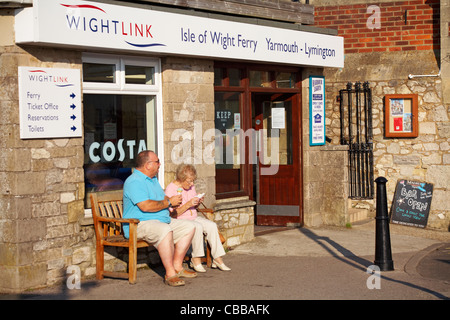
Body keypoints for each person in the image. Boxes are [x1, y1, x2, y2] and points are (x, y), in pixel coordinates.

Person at [122, 150, 197, 287]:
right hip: (138, 224)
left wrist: (172, 200)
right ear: (148, 165)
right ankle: (170, 274)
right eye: (157, 162)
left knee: (190, 226)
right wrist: (169, 203)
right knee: (165, 230)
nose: (160, 164)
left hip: (161, 220)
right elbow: (145, 206)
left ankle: (177, 266)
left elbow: (162, 197)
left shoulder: (153, 180)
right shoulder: (134, 181)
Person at [165, 164, 231, 272]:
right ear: (181, 178)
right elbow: (172, 214)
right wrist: (188, 204)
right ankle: (196, 259)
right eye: (189, 181)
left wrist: (197, 202)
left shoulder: (190, 186)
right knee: (198, 226)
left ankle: (218, 259)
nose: (192, 184)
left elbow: (193, 206)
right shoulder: (171, 189)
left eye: (193, 181)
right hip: (180, 220)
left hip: (193, 217)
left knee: (212, 225)